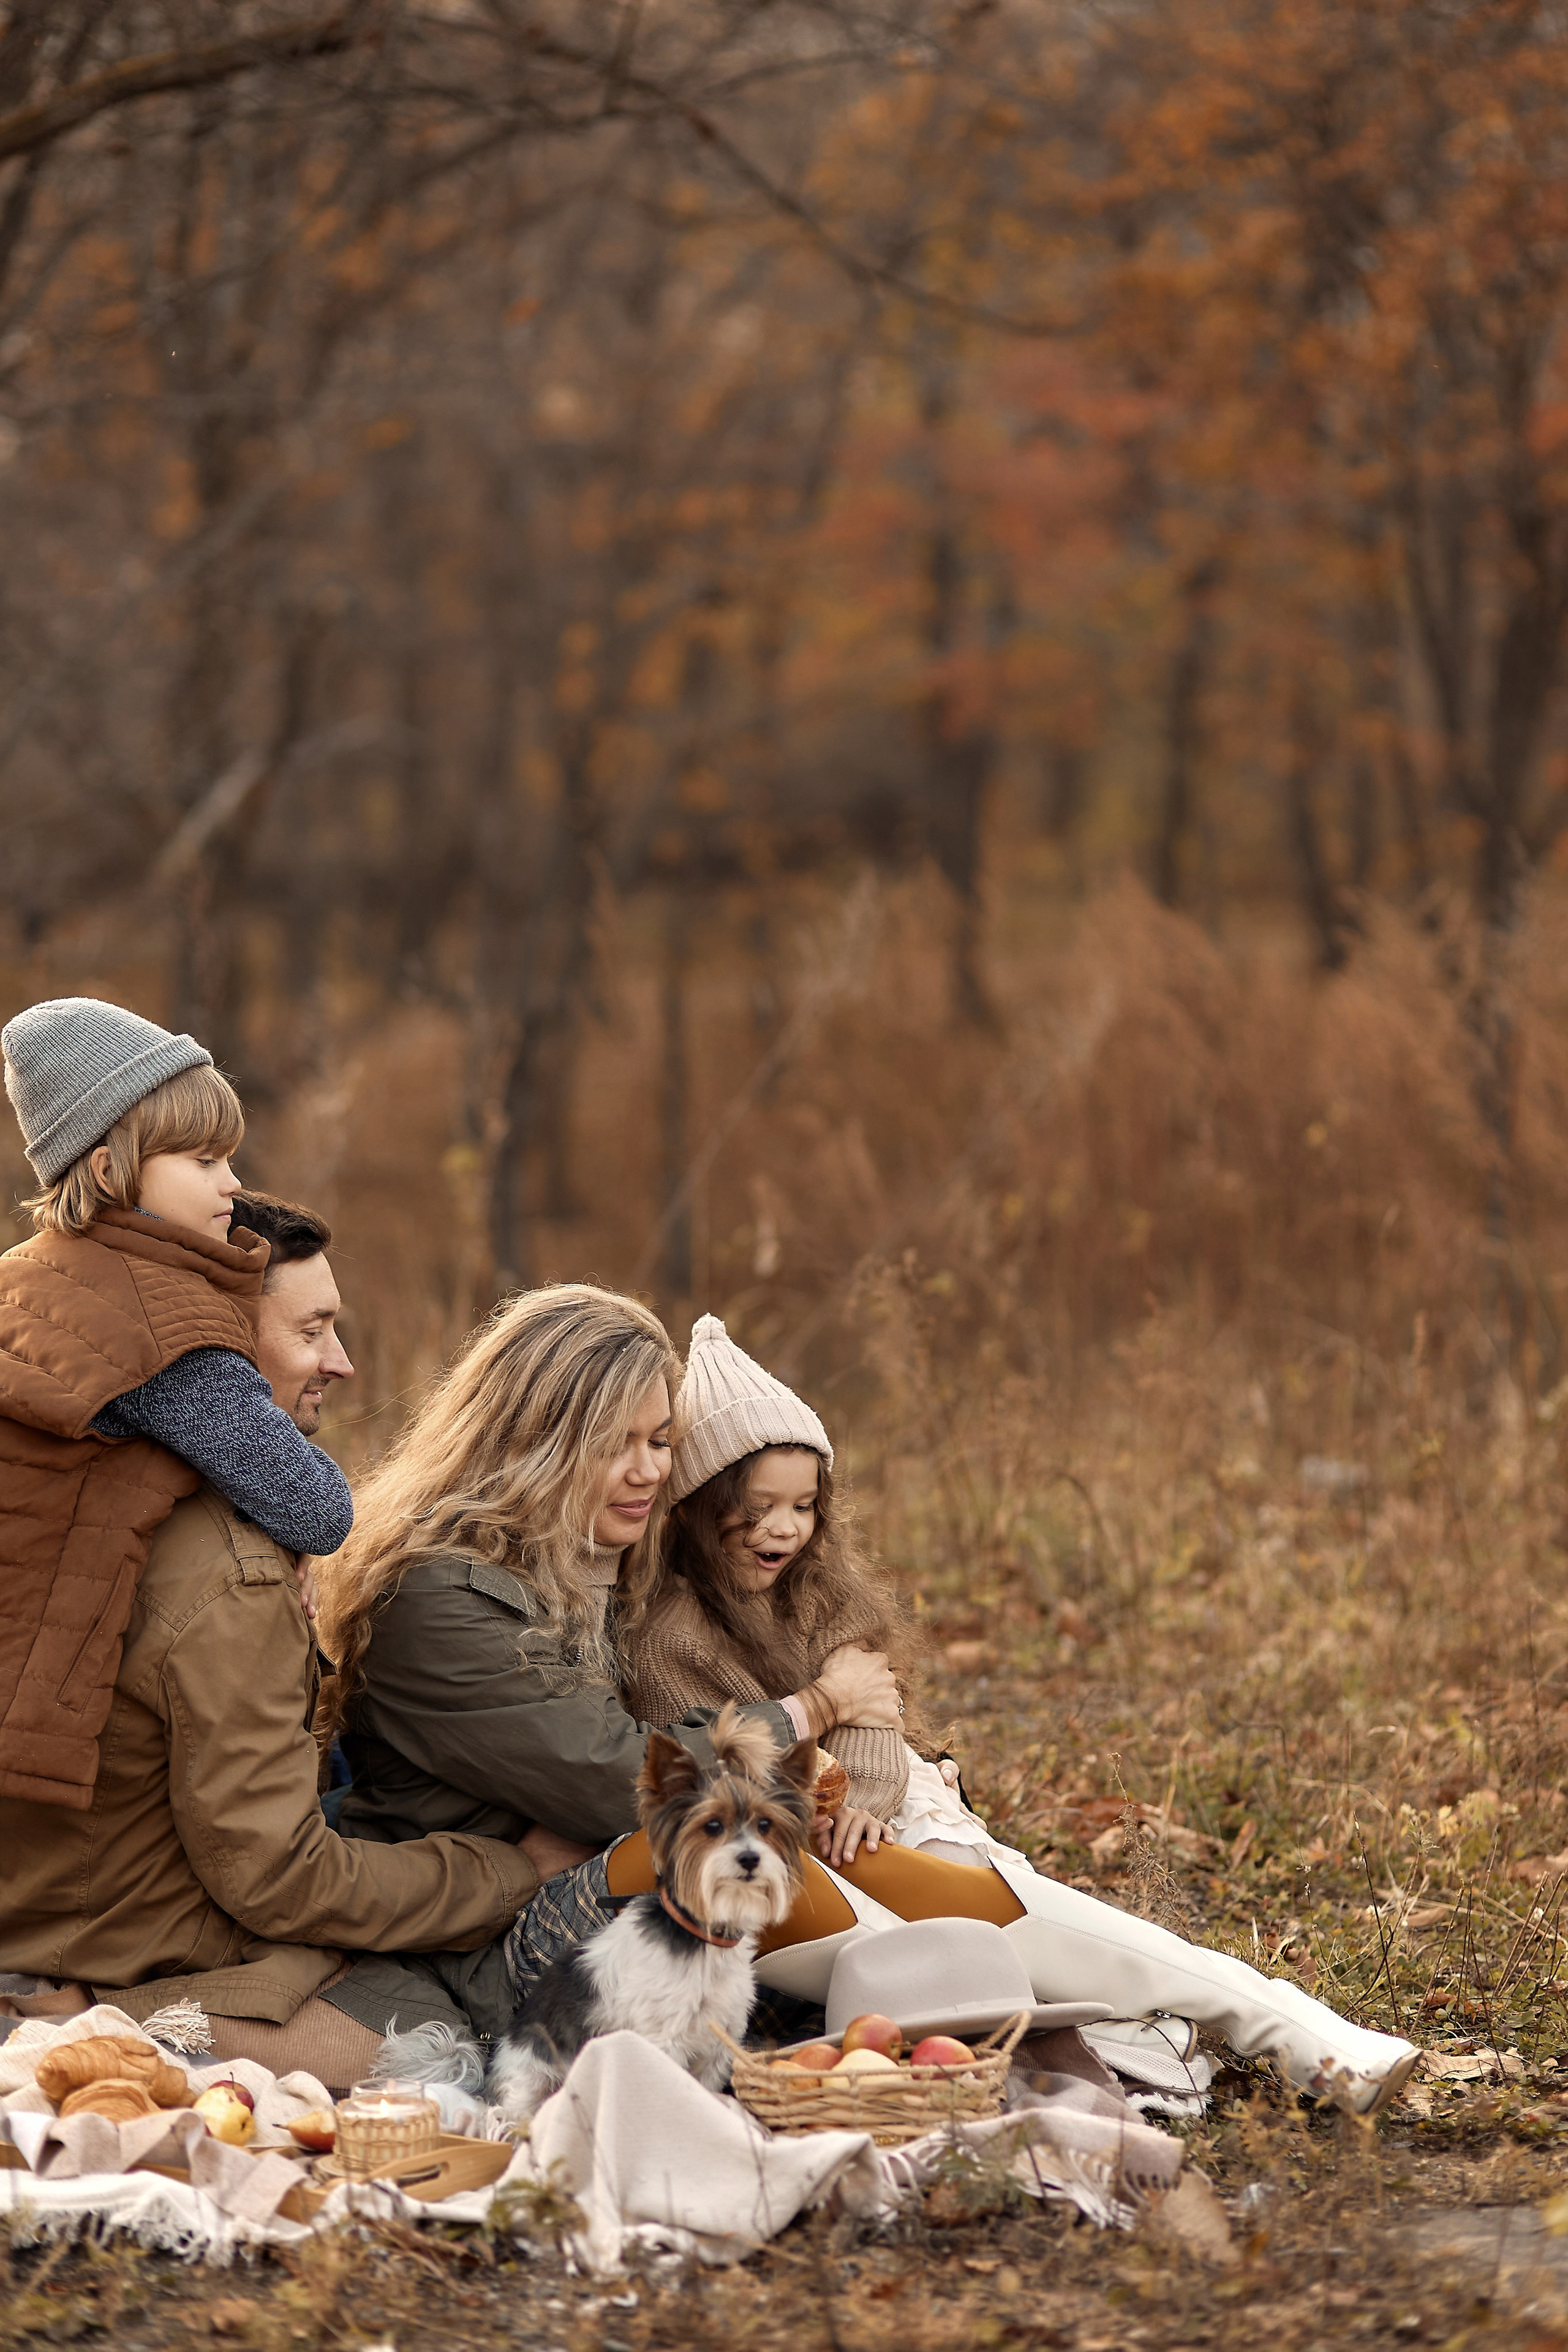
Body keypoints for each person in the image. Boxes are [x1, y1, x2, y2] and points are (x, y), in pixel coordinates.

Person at [619, 1315, 1422, 2115]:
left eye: (803, 1506)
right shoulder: (670, 1638)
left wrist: (862, 1792)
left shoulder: (817, 1589)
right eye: (757, 1508)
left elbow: (871, 1707)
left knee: (1025, 1917)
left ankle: (1288, 2025)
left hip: (871, 1816)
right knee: (975, 1959)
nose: (784, 1528)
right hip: (779, 1853)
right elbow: (715, 1764)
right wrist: (823, 1739)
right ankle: (1164, 2037)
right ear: (694, 1507)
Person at [0, 1191, 534, 2090]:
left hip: (72, 1906)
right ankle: (83, 2030)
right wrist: (510, 1872)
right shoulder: (228, 1569)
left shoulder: (77, 1488)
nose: (344, 1362)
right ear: (221, 1351)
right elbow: (279, 1879)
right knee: (447, 2052)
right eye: (313, 1331)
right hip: (132, 1949)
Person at [314, 1283, 903, 2047]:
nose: (648, 1470)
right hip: (498, 1940)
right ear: (532, 1441)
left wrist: (892, 1749)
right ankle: (992, 1970)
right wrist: (815, 1708)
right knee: (775, 1858)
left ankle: (999, 1966)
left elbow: (755, 1662)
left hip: (614, 1877)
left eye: (660, 1441)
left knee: (856, 1848)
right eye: (612, 1444)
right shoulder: (436, 1596)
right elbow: (617, 1776)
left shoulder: (609, 1556)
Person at [0, 998, 352, 1809]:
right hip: (72, 1719)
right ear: (107, 1171)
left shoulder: (34, 1277)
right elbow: (316, 1509)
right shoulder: (165, 1329)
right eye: (202, 1160)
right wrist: (276, 1519)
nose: (232, 1182)